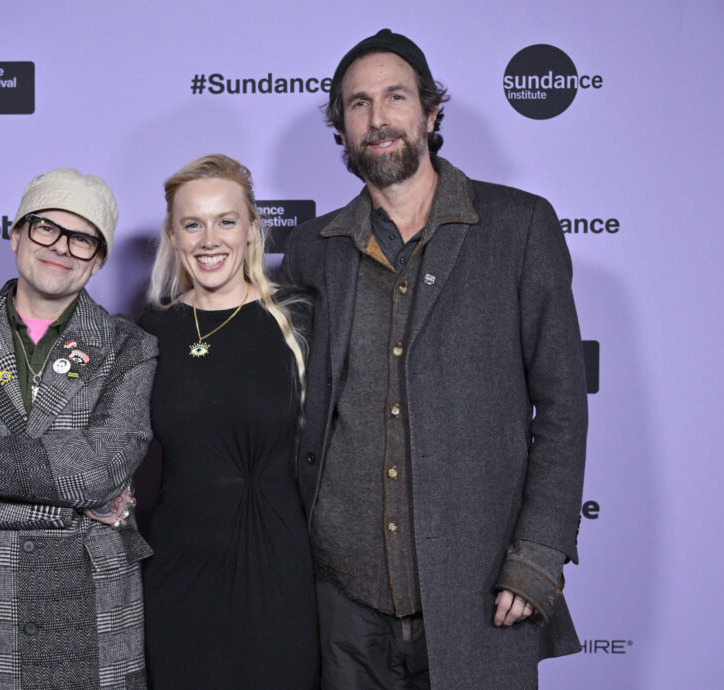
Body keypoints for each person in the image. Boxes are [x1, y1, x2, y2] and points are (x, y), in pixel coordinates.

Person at [281, 29, 589, 689]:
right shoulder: (313, 248)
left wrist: (538, 556)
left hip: (481, 592)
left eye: (396, 96)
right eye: (358, 104)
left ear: (430, 112)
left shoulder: (518, 227)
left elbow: (563, 404)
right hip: (340, 605)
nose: (379, 117)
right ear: (341, 128)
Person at [0, 168, 157, 689]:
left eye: (82, 239)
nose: (61, 247)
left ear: (98, 260)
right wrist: (70, 509)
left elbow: (97, 473)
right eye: (45, 228)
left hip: (88, 597)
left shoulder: (131, 348)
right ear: (16, 234)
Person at [138, 154, 319, 689]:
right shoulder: (153, 328)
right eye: (192, 223)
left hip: (278, 566)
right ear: (173, 235)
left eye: (226, 220)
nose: (209, 239)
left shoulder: (299, 318)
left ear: (252, 228)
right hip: (177, 565)